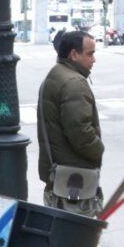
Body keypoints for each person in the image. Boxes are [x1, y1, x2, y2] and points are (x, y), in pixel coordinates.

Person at [37, 31, 104, 217]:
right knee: (75, 236)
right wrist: (98, 149)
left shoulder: (56, 74)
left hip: (58, 173)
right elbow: (80, 131)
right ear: (74, 54)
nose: (94, 59)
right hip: (74, 179)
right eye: (89, 54)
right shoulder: (74, 82)